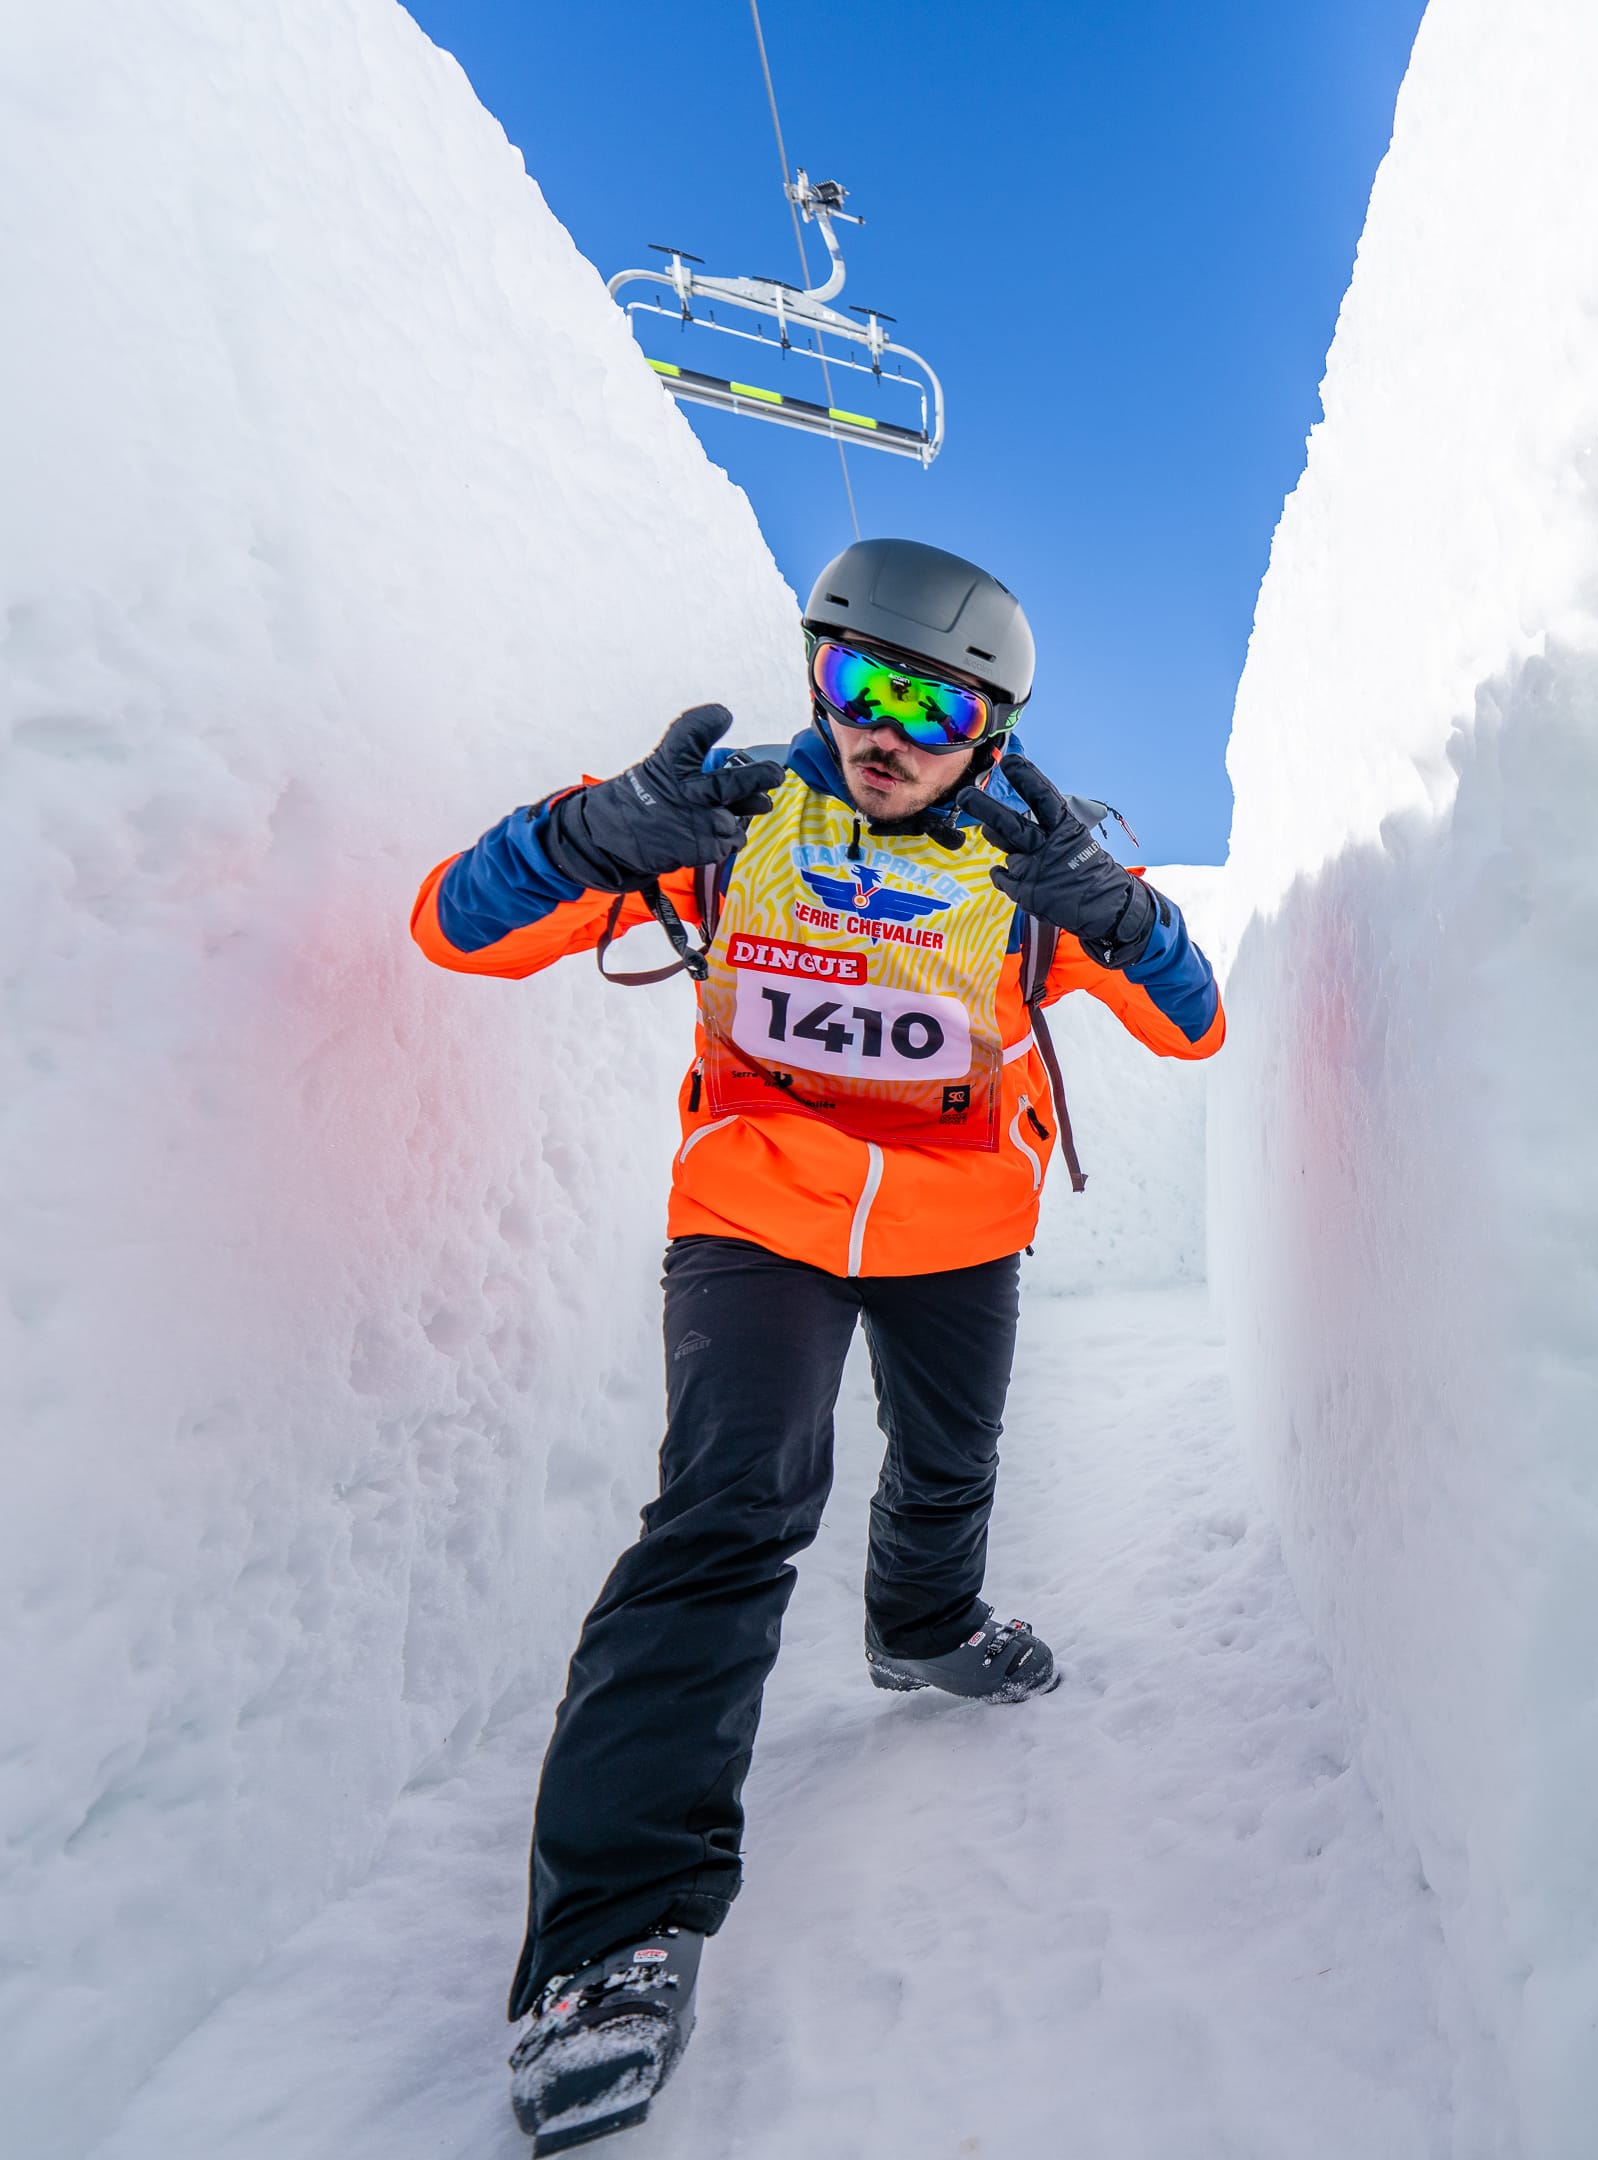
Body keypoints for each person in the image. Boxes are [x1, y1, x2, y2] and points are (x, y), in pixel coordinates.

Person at [409, 538, 1223, 2154]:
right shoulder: (724, 827)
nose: (884, 732)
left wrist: (1113, 911)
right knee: (728, 1514)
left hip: (957, 1231)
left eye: (936, 708)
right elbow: (455, 925)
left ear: (992, 733)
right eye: (860, 684)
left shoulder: (1023, 869)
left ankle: (925, 1628)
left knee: (950, 1461)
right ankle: (608, 1946)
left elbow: (1191, 1018)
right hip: (756, 1216)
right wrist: (587, 835)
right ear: (815, 676)